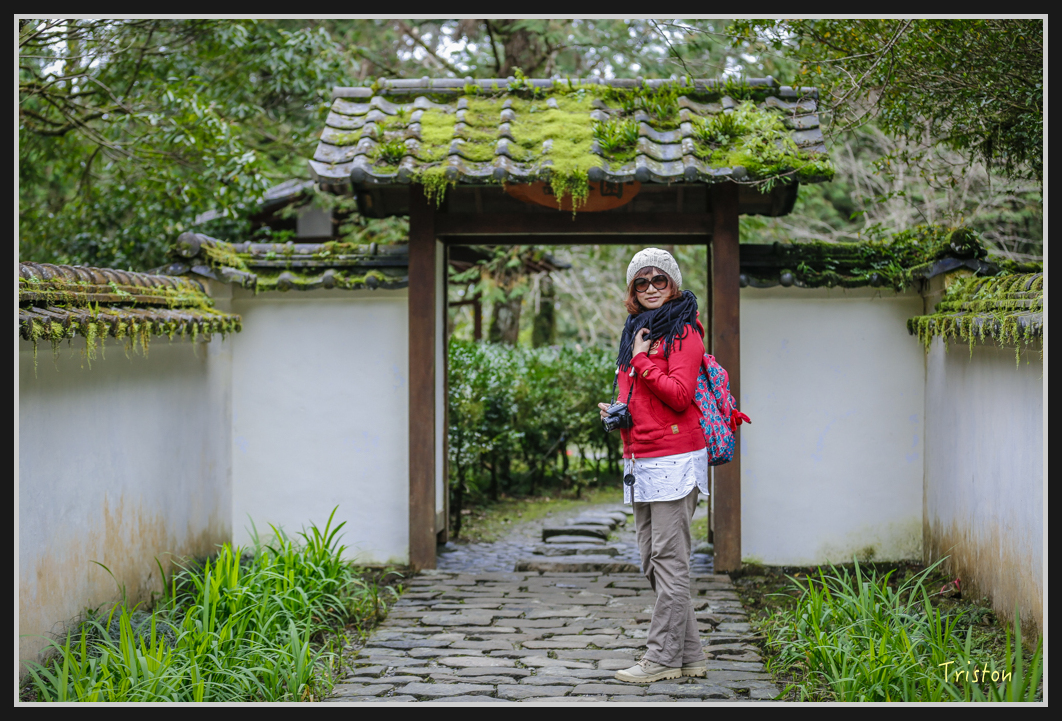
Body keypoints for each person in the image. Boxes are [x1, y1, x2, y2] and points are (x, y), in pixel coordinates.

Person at [598, 248, 709, 684]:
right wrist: (617, 409)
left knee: (669, 559)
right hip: (641, 457)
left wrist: (643, 361)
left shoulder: (684, 334)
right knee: (652, 560)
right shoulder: (637, 332)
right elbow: (641, 394)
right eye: (640, 282)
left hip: (675, 458)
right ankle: (692, 655)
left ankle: (661, 658)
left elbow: (680, 395)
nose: (649, 289)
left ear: (673, 284)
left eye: (657, 280)